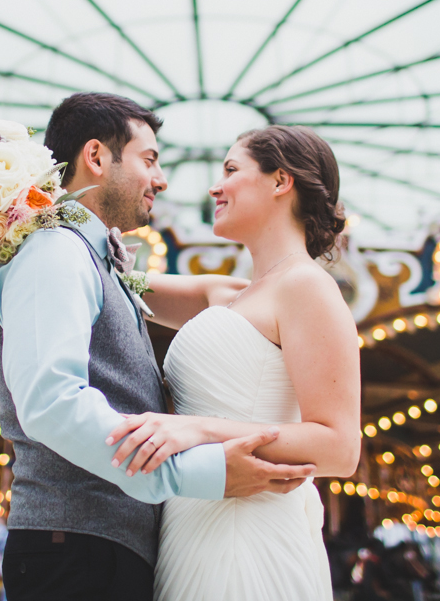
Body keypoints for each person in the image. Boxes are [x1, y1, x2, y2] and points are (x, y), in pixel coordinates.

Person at [0, 93, 318, 601]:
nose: (162, 180)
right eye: (149, 160)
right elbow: (51, 402)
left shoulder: (95, 261)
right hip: (75, 542)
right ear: (96, 157)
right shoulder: (55, 250)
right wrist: (197, 469)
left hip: (125, 543)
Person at [104, 123, 362, 600]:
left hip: (250, 527)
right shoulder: (224, 293)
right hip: (190, 520)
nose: (214, 186)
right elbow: (109, 275)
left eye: (230, 169)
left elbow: (340, 448)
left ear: (280, 181)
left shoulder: (306, 286)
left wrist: (199, 429)